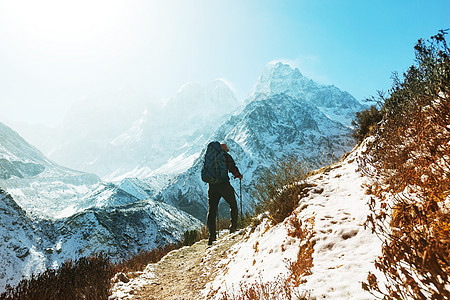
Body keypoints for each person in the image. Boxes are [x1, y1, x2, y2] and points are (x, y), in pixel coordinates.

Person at [203, 142, 243, 245]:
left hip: (212, 186)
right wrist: (238, 175)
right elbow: (232, 168)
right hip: (224, 184)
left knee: (212, 210)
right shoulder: (225, 156)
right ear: (223, 148)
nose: (227, 148)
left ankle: (212, 237)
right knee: (233, 205)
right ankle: (233, 228)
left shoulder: (209, 155)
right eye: (226, 147)